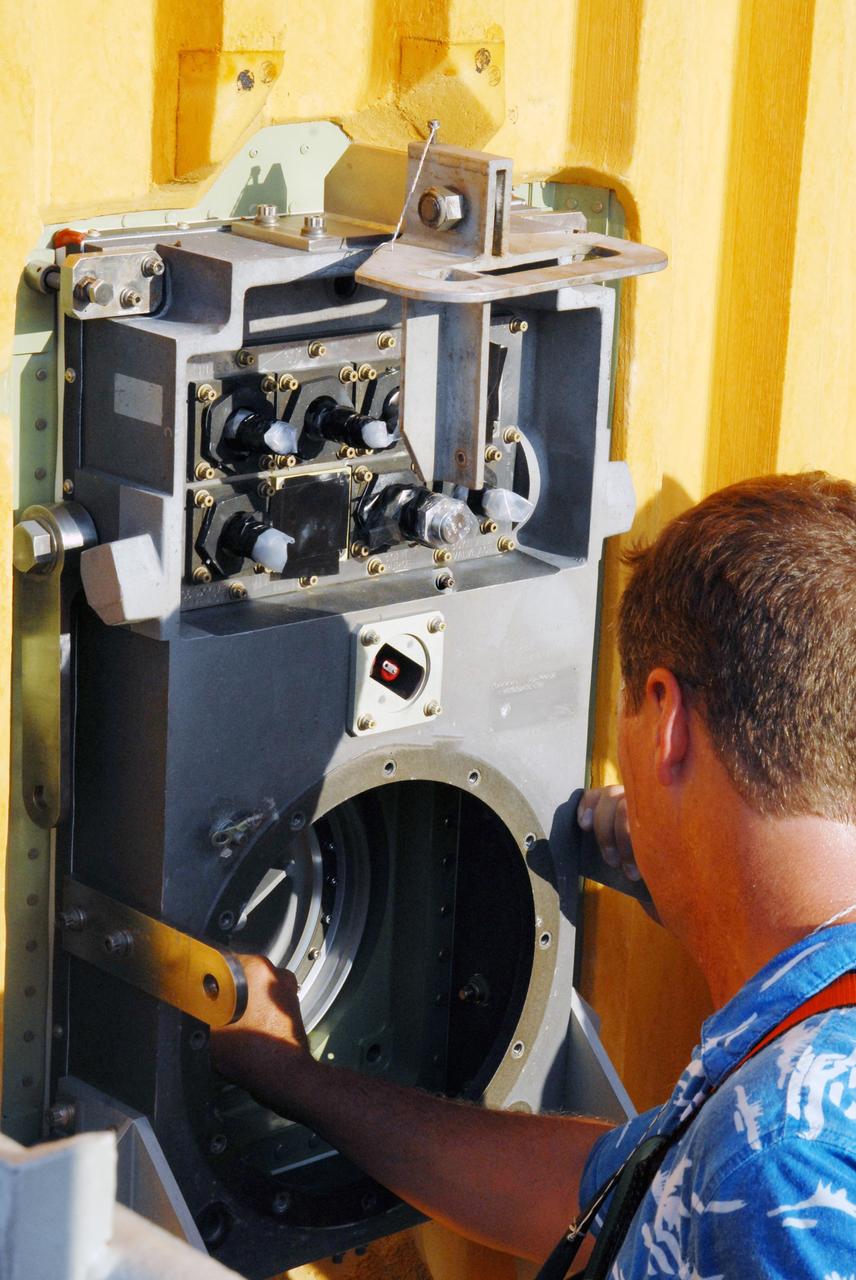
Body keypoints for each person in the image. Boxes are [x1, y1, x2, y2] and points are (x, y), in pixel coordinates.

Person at [212, 472, 856, 1277]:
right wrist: (297, 1081)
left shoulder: (781, 1160)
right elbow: (607, 1202)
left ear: (666, 722)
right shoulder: (780, 1117)